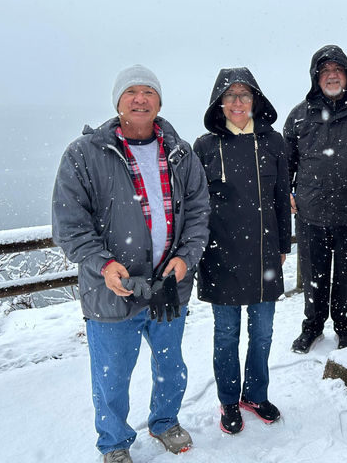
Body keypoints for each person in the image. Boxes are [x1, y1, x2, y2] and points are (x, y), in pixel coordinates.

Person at [52, 65, 211, 463]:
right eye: (131, 92)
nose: (140, 99)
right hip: (111, 289)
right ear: (118, 101)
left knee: (170, 365)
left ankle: (164, 421)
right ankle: (114, 443)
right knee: (112, 376)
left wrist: (184, 258)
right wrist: (103, 263)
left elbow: (198, 212)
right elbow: (69, 223)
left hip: (168, 285)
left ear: (159, 102)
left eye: (148, 92)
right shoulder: (84, 153)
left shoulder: (180, 151)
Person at [193, 68, 292, 435]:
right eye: (230, 95)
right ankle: (229, 400)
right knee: (226, 335)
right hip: (219, 256)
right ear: (219, 103)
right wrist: (198, 251)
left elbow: (282, 198)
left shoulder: (273, 142)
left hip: (265, 254)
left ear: (255, 100)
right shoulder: (203, 146)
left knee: (263, 333)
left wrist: (284, 245)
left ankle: (255, 394)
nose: (237, 102)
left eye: (244, 95)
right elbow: (195, 205)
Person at [284, 44, 347, 353]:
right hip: (311, 211)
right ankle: (312, 327)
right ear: (316, 77)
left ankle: (344, 328)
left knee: (346, 276)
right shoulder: (300, 116)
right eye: (325, 71)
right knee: (314, 276)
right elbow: (286, 161)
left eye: (337, 70)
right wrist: (286, 191)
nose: (332, 76)